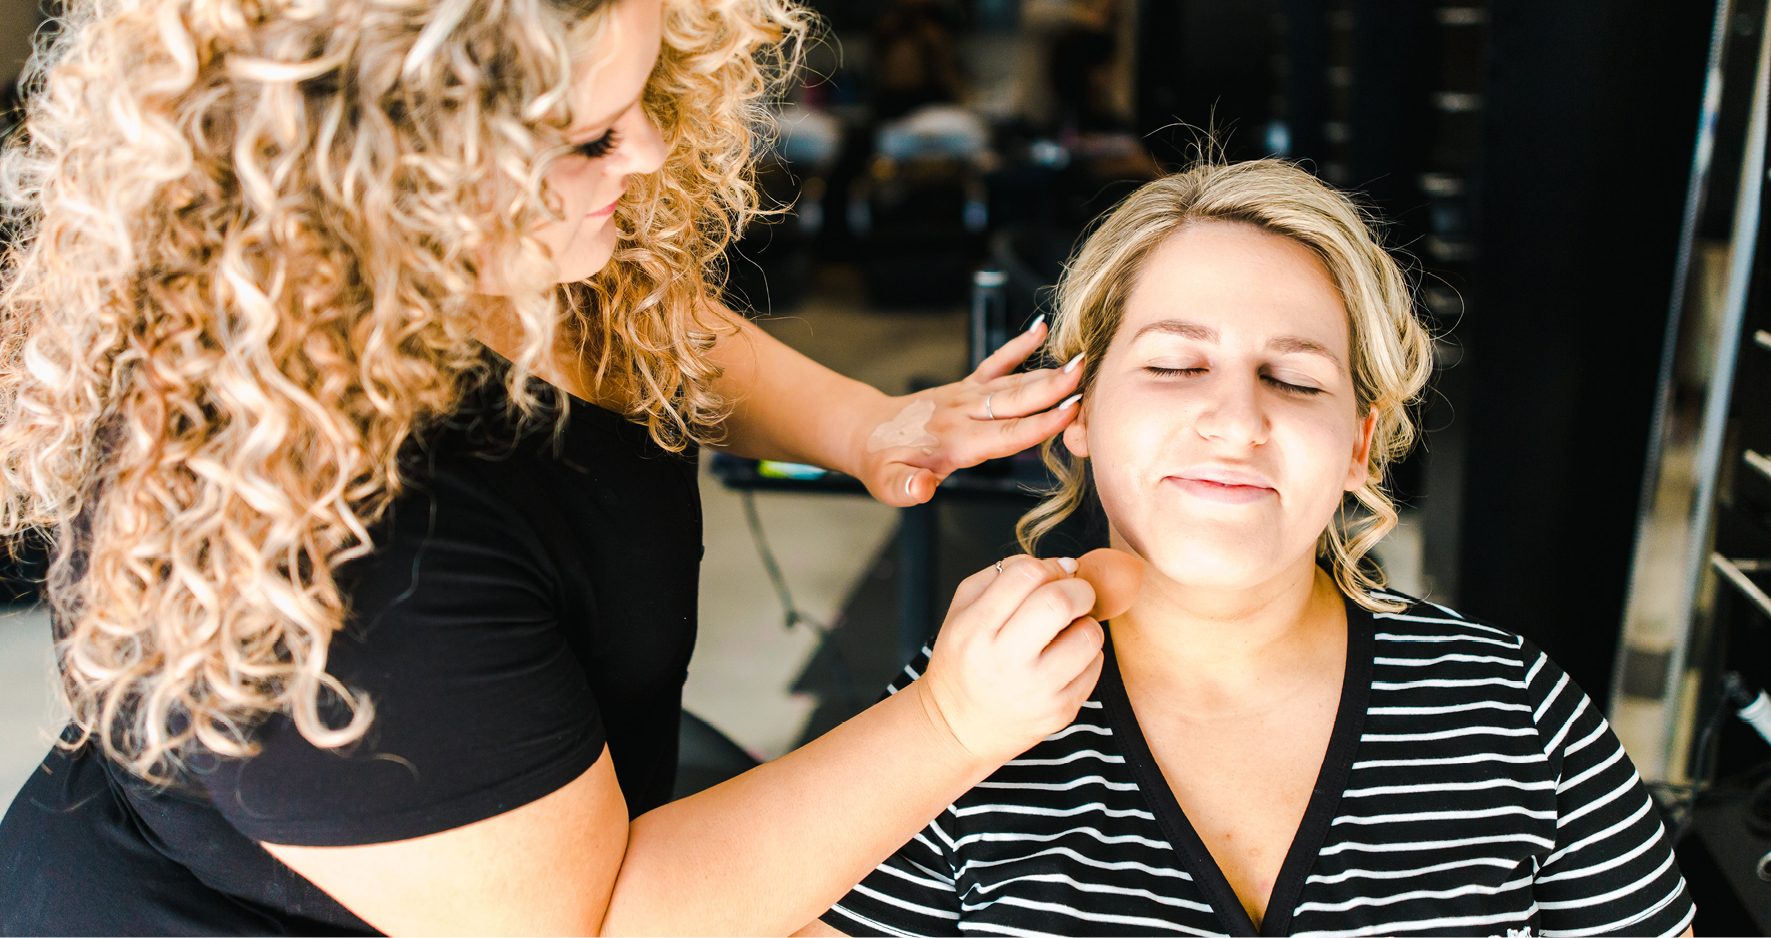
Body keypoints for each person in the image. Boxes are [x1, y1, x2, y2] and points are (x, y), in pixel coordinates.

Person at [0, 0, 1123, 935]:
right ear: (392, 177)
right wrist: (950, 723)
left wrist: (866, 427)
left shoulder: (501, 254)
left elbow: (628, 316)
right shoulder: (358, 557)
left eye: (639, 98)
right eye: (588, 138)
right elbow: (593, 922)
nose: (641, 152)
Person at [800, 160, 1698, 938]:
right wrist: (945, 724)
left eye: (1296, 378)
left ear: (1357, 442)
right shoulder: (963, 707)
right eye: (1175, 365)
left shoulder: (1517, 719)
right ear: (1076, 411)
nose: (1234, 422)